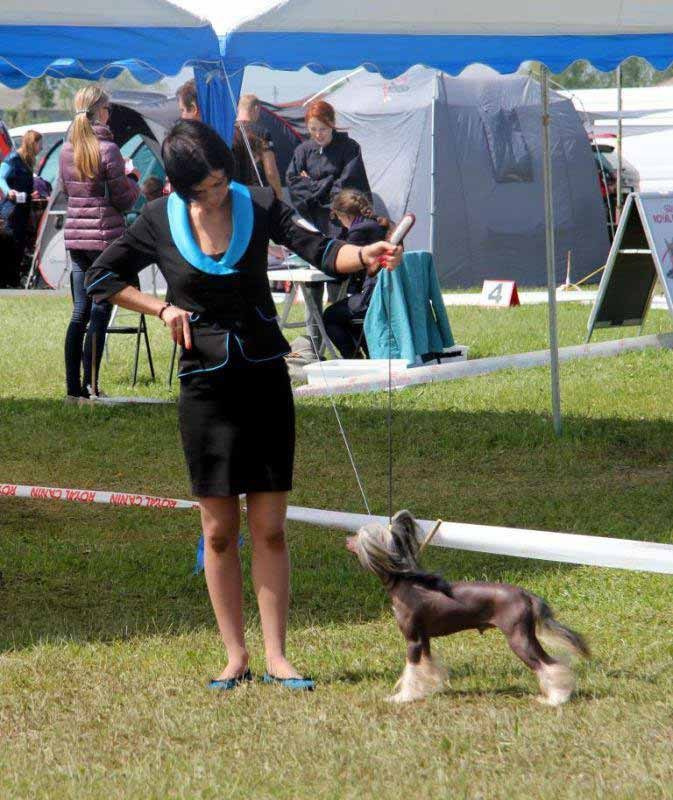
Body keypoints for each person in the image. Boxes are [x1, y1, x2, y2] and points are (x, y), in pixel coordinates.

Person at [84, 120, 402, 690]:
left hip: (263, 382)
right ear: (181, 189)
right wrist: (160, 309)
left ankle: (278, 656)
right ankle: (235, 656)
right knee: (219, 534)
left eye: (221, 177)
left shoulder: (258, 201)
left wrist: (366, 253)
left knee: (271, 529)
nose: (219, 190)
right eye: (206, 185)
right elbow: (100, 277)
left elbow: (323, 251)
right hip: (204, 390)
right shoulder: (157, 219)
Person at [60, 86, 140, 402]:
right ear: (102, 111)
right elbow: (122, 200)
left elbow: (68, 192)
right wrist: (133, 180)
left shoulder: (68, 150)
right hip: (105, 239)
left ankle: (72, 388)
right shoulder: (109, 150)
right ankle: (92, 385)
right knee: (100, 308)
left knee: (79, 311)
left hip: (76, 239)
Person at [286, 100, 371, 356]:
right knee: (312, 292)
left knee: (337, 291)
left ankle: (339, 343)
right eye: (313, 130)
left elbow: (346, 189)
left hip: (340, 231)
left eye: (322, 129)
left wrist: (314, 185)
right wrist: (323, 185)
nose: (318, 135)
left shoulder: (349, 148)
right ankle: (315, 347)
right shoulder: (303, 151)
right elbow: (293, 183)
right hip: (313, 228)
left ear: (332, 124)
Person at [323, 189, 391, 358]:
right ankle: (371, 353)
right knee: (346, 311)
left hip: (372, 296)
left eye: (338, 219)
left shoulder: (358, 231)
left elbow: (345, 269)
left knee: (330, 316)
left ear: (344, 215)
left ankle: (353, 359)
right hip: (387, 292)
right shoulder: (379, 224)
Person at [0, 129, 42, 287]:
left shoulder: (27, 161)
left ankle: (14, 281)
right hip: (10, 211)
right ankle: (7, 283)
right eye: (40, 144)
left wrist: (32, 194)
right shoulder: (13, 159)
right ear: (32, 144)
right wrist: (8, 190)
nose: (41, 148)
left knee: (19, 247)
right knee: (10, 246)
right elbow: (1, 177)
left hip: (22, 211)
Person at [234, 94, 283, 200]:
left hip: (235, 193)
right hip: (257, 193)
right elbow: (270, 172)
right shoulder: (262, 134)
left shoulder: (229, 132)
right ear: (256, 108)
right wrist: (279, 195)